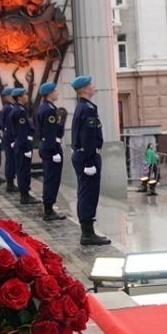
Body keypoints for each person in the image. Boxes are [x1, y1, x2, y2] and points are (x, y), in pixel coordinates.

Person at [69, 75, 110, 246]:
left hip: (85, 154)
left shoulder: (84, 107)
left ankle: (88, 231)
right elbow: (87, 136)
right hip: (87, 156)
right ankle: (87, 234)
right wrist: (89, 162)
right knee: (88, 194)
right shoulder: (86, 109)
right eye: (90, 84)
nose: (93, 86)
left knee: (86, 193)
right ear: (84, 89)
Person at [34, 82, 65, 221]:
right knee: (52, 179)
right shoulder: (49, 110)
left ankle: (49, 207)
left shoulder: (43, 108)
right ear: (50, 93)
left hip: (46, 145)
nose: (57, 93)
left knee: (50, 177)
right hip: (50, 147)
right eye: (55, 91)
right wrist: (54, 151)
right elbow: (50, 132)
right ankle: (48, 209)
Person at [8, 87, 35, 206]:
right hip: (23, 144)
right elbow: (22, 131)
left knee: (23, 170)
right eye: (25, 95)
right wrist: (26, 148)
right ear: (19, 97)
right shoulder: (20, 112)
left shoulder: (18, 110)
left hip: (21, 143)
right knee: (23, 170)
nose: (26, 96)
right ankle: (24, 195)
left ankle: (25, 194)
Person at [0, 86, 17, 193]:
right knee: (11, 160)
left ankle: (10, 182)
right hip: (10, 137)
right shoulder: (8, 108)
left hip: (9, 136)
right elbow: (7, 125)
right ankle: (10, 183)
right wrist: (12, 139)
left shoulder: (9, 107)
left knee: (11, 160)